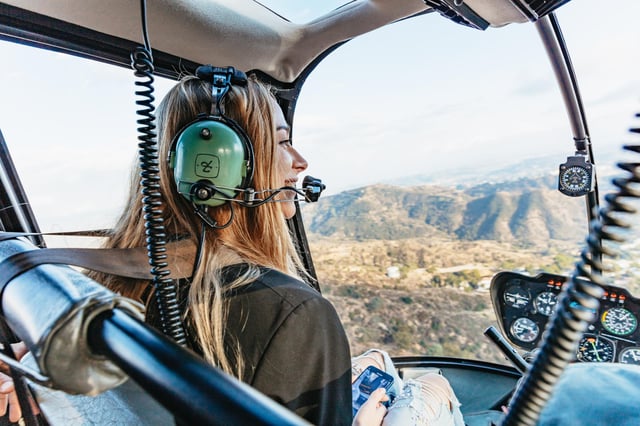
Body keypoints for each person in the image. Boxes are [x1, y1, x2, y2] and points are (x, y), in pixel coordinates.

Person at [0, 69, 464, 426]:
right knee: (432, 384)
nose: (301, 163)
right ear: (221, 168)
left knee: (374, 364)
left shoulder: (85, 304)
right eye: (282, 143)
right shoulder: (295, 314)